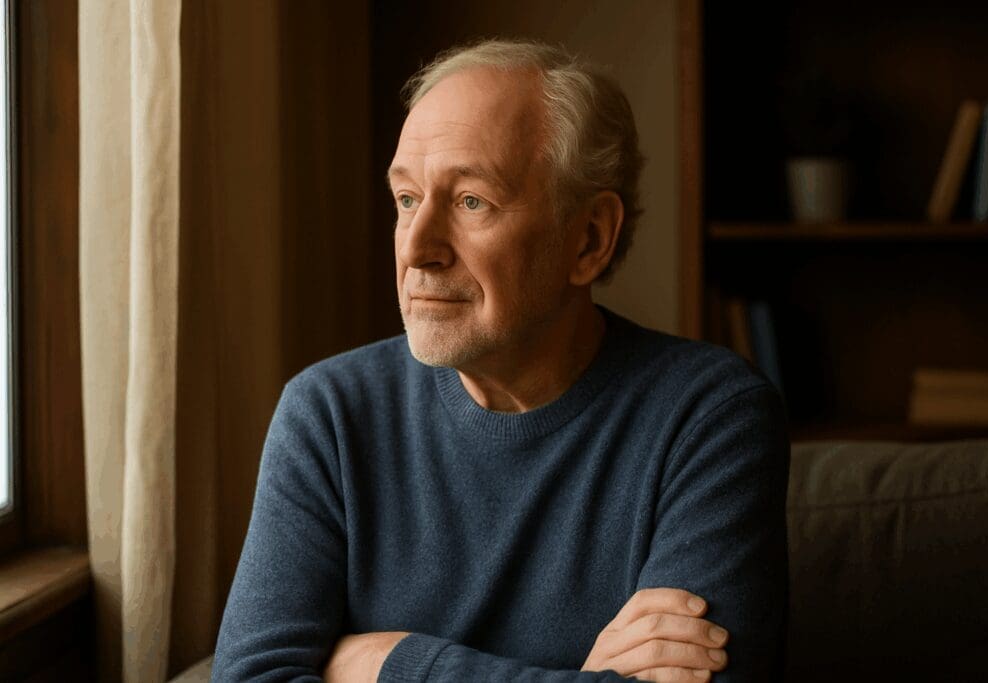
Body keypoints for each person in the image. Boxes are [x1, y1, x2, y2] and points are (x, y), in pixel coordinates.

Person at [212, 39, 788, 683]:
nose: (418, 249)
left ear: (589, 239)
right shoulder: (329, 413)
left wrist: (389, 664)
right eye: (406, 200)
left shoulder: (711, 416)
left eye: (470, 202)